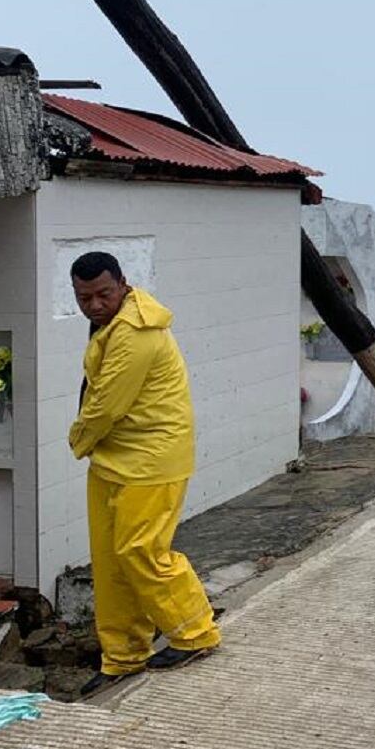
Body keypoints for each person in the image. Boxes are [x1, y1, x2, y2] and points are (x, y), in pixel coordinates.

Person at [68, 251, 220, 697]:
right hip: (114, 457)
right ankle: (122, 656)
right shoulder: (110, 323)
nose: (94, 305)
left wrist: (77, 441)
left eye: (103, 294)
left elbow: (105, 406)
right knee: (110, 563)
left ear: (124, 284)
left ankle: (196, 632)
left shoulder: (136, 332)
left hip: (152, 459)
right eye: (84, 298)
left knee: (141, 551)